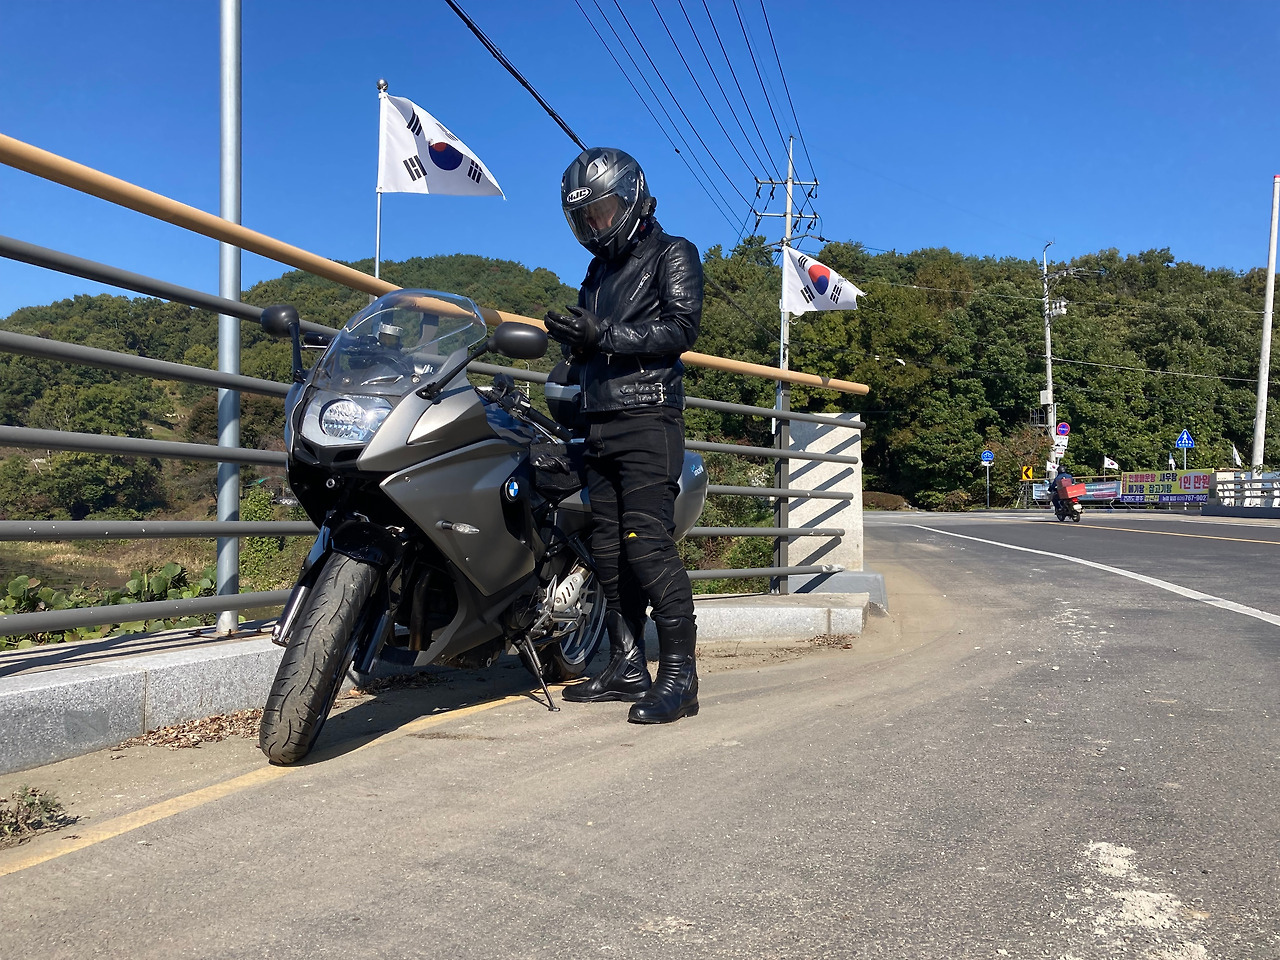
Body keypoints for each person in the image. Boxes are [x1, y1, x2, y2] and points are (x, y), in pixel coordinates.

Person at [543, 146, 702, 724]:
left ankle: (680, 677)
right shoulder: (596, 272)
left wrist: (602, 334)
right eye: (584, 218)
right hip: (598, 423)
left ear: (632, 198)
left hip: (648, 419)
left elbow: (680, 329)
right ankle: (626, 665)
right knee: (608, 551)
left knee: (647, 546)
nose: (594, 225)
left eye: (602, 212)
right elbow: (597, 340)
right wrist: (574, 339)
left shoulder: (673, 252)